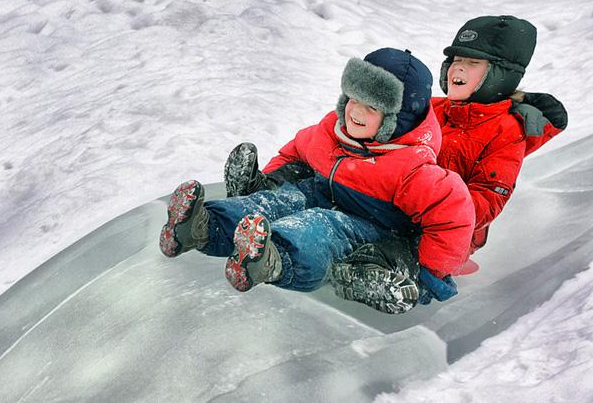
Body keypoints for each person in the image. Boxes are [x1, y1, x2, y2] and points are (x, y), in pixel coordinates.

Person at [223, 15, 568, 312]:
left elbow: (487, 200)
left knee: (389, 248)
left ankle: (383, 280)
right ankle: (267, 190)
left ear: (501, 75)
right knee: (326, 175)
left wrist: (428, 204)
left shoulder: (508, 132)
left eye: (473, 64)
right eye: (456, 59)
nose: (458, 69)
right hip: (389, 201)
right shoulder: (434, 106)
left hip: (436, 230)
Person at [159, 48, 474, 310]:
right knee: (284, 200)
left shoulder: (413, 168)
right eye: (353, 98)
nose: (356, 112)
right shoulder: (333, 131)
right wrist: (270, 181)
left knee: (319, 226)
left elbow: (454, 215)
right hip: (325, 191)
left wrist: (429, 272)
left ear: (397, 120)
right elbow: (298, 149)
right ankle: (202, 227)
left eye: (372, 107)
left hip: (374, 226)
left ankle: (270, 258)